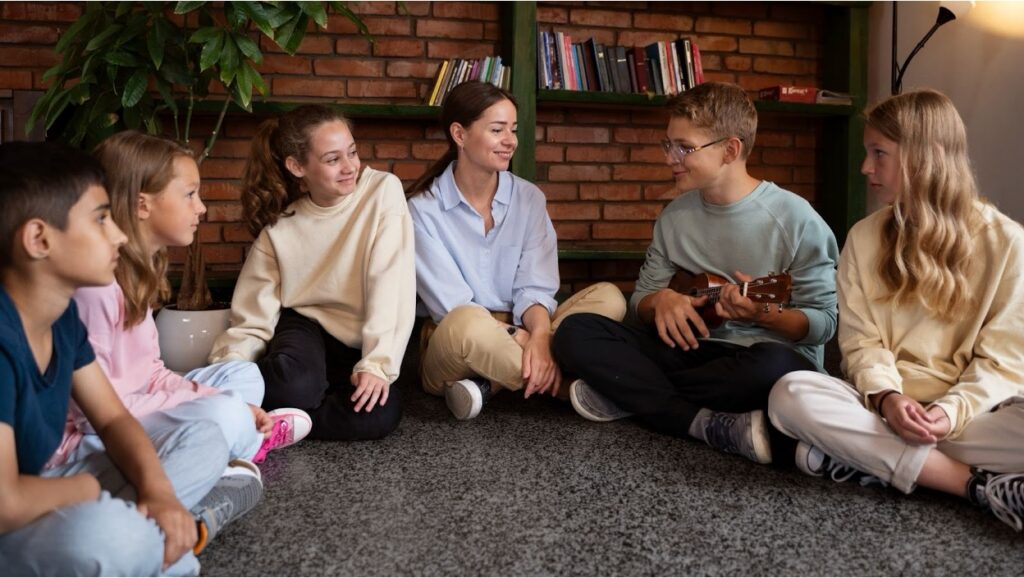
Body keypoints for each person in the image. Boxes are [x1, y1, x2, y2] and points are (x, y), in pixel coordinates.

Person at [769, 89, 1024, 531]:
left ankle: (860, 458)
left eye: (879, 153)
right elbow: (860, 343)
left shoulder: (1009, 243)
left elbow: (1005, 362)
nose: (865, 167)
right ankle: (974, 485)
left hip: (970, 417)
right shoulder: (864, 237)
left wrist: (950, 411)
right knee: (790, 393)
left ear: (928, 156)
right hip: (881, 409)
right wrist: (888, 397)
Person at [552, 82, 839, 466]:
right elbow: (640, 302)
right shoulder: (674, 216)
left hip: (759, 360)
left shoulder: (797, 218)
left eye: (684, 148)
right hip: (695, 353)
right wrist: (661, 301)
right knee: (575, 331)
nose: (670, 158)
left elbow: (823, 325)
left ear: (730, 150)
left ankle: (630, 396)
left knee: (775, 367)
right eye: (668, 145)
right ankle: (701, 422)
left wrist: (763, 315)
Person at [0, 141, 225, 575]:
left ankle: (153, 535)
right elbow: (5, 503)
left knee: (205, 438)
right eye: (101, 219)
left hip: (43, 487)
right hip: (13, 507)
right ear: (39, 238)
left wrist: (158, 493)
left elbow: (114, 418)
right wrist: (87, 489)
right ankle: (162, 540)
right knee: (113, 533)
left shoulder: (61, 318)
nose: (120, 235)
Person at [57, 131, 310, 477]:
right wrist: (214, 403)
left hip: (138, 406)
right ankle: (238, 447)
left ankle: (229, 445)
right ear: (142, 204)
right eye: (190, 194)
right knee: (224, 412)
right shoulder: (96, 289)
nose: (201, 207)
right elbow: (95, 415)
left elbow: (153, 374)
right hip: (96, 435)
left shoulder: (137, 274)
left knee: (244, 374)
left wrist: (208, 396)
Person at [406, 80, 626, 421]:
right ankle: (570, 389)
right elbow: (454, 307)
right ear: (459, 134)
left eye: (513, 129)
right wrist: (531, 340)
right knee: (467, 323)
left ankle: (486, 386)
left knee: (609, 297)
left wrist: (539, 333)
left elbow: (534, 287)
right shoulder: (421, 209)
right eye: (497, 130)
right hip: (456, 341)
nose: (510, 141)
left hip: (522, 324)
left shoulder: (528, 198)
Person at [209, 105, 415, 440]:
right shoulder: (280, 230)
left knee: (379, 413)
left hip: (360, 336)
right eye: (333, 159)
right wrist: (229, 376)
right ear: (297, 166)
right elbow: (252, 319)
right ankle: (286, 408)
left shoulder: (383, 191)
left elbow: (390, 283)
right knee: (293, 387)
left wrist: (376, 365)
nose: (350, 167)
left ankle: (282, 423)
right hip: (305, 327)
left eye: (352, 152)